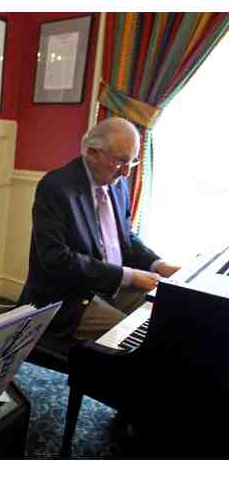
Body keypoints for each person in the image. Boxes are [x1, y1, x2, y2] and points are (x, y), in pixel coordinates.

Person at [19, 117, 180, 340]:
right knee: (132, 336)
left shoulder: (118, 184)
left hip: (111, 284)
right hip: (68, 297)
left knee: (168, 313)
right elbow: (56, 259)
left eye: (132, 162)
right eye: (121, 161)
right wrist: (129, 276)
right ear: (92, 153)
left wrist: (158, 264)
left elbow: (125, 237)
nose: (126, 172)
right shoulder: (56, 187)